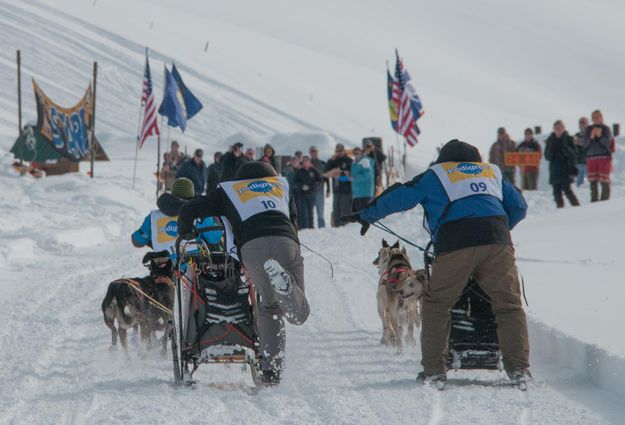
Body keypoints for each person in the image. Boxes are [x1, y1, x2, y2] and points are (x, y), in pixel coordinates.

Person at [344, 139, 531, 387]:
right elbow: (518, 206)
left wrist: (367, 214)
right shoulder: (492, 171)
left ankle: (434, 370)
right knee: (509, 305)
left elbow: (402, 195)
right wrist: (497, 231)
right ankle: (519, 369)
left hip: (456, 242)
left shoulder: (438, 173)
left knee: (437, 304)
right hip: (498, 242)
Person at [176, 161, 310, 386]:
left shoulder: (230, 190)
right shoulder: (281, 186)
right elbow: (295, 221)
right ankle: (285, 284)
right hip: (285, 240)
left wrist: (185, 230)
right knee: (298, 314)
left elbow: (190, 208)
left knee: (269, 307)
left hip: (252, 247)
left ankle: (271, 371)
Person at [132, 178, 222, 258]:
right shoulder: (199, 214)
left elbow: (138, 241)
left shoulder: (153, 217)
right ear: (192, 194)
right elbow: (214, 238)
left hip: (163, 269)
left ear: (172, 194)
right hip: (192, 271)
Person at [545, 121, 580, 208]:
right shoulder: (550, 140)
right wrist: (552, 150)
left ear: (564, 128)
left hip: (566, 169)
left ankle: (577, 208)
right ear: (554, 129)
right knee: (556, 193)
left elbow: (574, 155)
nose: (559, 130)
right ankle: (560, 211)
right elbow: (547, 156)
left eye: (560, 127)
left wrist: (565, 148)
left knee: (567, 191)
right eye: (557, 128)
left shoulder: (569, 139)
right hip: (554, 170)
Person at [583, 110, 613, 201]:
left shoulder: (606, 129)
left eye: (597, 117)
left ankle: (604, 200)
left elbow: (608, 143)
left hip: (603, 157)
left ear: (601, 117)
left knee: (604, 180)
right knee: (593, 181)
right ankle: (594, 201)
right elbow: (585, 145)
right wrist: (591, 137)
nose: (596, 119)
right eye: (594, 117)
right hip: (591, 158)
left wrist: (600, 136)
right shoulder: (588, 129)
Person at [324, 143, 353, 227]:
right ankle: (336, 227)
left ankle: (345, 228)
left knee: (345, 211)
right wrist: (330, 160)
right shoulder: (334, 161)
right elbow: (325, 172)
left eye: (340, 150)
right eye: (337, 151)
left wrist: (341, 174)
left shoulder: (349, 160)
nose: (339, 152)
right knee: (336, 210)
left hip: (346, 191)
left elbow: (352, 174)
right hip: (336, 190)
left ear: (344, 151)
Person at [294, 156, 322, 229]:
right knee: (304, 211)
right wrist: (302, 186)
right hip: (302, 194)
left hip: (312, 194)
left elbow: (319, 181)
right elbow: (296, 181)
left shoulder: (314, 171)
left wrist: (312, 187)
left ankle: (311, 227)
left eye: (307, 161)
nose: (306, 162)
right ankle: (304, 227)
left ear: (309, 162)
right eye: (304, 161)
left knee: (311, 212)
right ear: (302, 162)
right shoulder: (299, 171)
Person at [350, 147, 375, 211]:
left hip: (365, 193)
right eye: (355, 153)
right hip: (357, 193)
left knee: (364, 214)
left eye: (358, 153)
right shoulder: (354, 162)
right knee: (358, 215)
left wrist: (355, 178)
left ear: (361, 153)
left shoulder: (365, 161)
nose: (356, 155)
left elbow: (368, 174)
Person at [309, 146, 329, 228]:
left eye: (315, 151)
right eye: (312, 151)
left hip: (320, 190)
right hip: (309, 191)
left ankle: (322, 229)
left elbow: (326, 177)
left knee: (320, 213)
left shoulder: (323, 163)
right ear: (310, 153)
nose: (314, 153)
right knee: (309, 212)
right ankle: (310, 229)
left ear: (317, 152)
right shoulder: (307, 163)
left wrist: (328, 190)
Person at [282, 157, 302, 228]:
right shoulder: (286, 169)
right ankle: (292, 225)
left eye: (295, 161)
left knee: (299, 208)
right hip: (289, 191)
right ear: (290, 162)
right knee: (290, 208)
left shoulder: (300, 170)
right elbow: (282, 179)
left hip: (298, 191)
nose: (294, 162)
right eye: (292, 161)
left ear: (298, 162)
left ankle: (299, 225)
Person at [573, 117, 589, 187]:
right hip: (578, 163)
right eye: (580, 122)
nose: (582, 125)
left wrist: (583, 142)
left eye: (584, 122)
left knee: (589, 183)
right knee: (578, 184)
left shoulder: (590, 135)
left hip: (588, 163)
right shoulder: (576, 136)